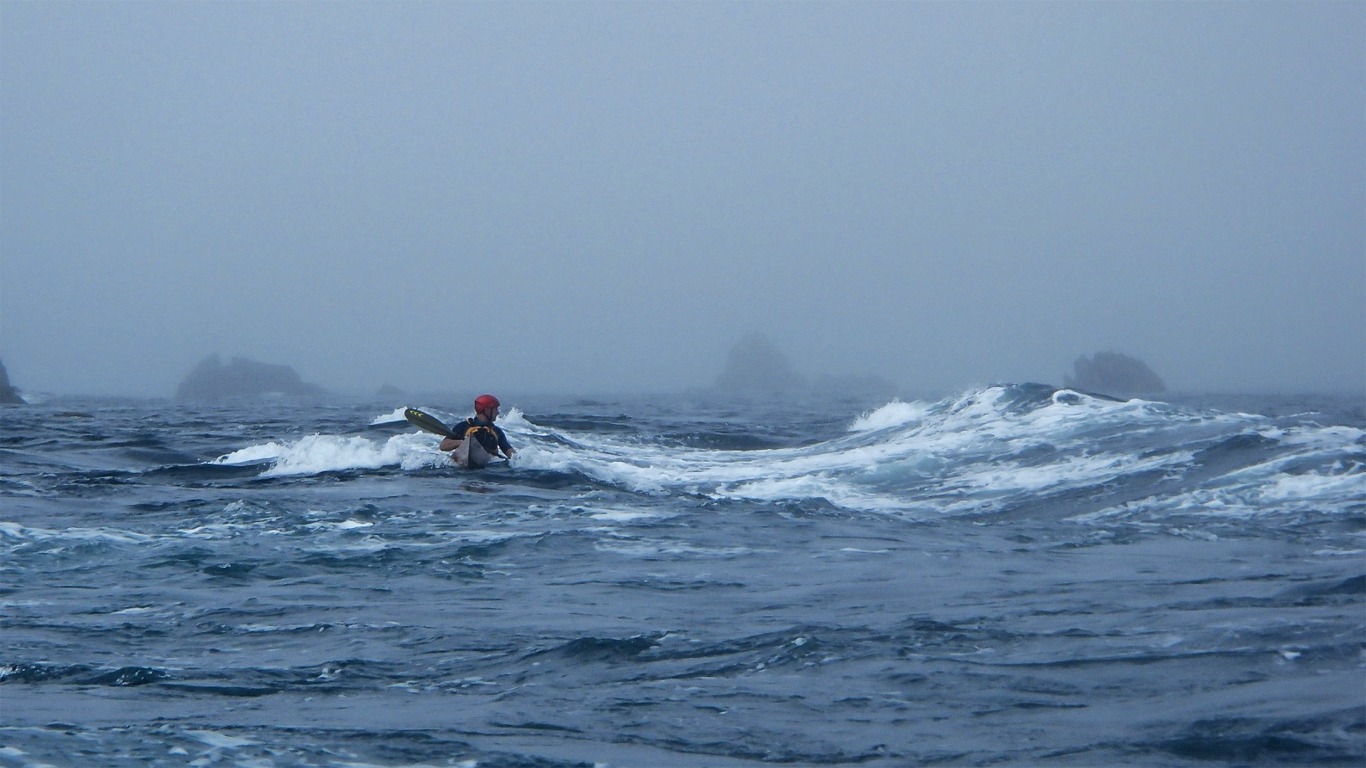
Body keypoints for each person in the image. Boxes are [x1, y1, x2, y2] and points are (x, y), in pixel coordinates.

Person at [439, 394, 515, 461]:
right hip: (461, 469)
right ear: (487, 410)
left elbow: (510, 453)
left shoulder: (496, 431)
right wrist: (462, 442)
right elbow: (443, 446)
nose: (497, 412)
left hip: (487, 467)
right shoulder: (463, 426)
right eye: (495, 409)